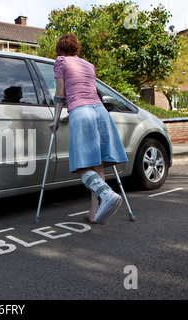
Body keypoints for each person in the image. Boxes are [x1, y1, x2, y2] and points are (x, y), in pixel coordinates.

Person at [52, 34, 128, 224]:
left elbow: (60, 94)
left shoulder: (61, 61)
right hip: (99, 112)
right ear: (76, 47)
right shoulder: (88, 65)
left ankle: (106, 194)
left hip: (82, 112)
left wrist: (56, 119)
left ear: (59, 49)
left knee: (81, 166)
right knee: (98, 164)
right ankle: (95, 212)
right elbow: (89, 92)